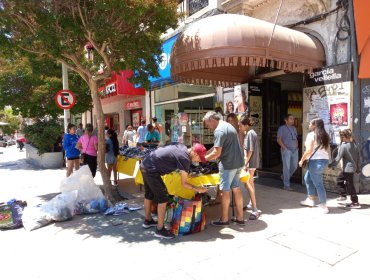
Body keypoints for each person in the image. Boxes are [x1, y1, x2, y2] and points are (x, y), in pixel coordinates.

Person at [141, 143, 209, 239]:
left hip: (145, 163)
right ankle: (160, 230)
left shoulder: (182, 147)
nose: (198, 161)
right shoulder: (184, 159)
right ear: (194, 153)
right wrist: (198, 189)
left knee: (149, 194)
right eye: (199, 158)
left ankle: (147, 220)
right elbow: (184, 183)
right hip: (151, 170)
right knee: (163, 198)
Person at [203, 111, 245, 226]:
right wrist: (205, 154)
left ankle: (224, 219)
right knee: (236, 188)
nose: (208, 127)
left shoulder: (219, 130)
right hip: (238, 162)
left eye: (207, 124)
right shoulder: (227, 125)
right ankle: (240, 218)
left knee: (224, 191)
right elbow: (216, 146)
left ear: (212, 120)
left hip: (228, 164)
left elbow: (217, 153)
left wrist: (203, 159)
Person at [299, 118, 330, 214]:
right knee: (307, 178)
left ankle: (323, 205)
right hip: (324, 160)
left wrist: (301, 160)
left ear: (314, 125)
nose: (309, 125)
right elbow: (329, 149)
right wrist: (329, 161)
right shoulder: (325, 135)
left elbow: (308, 150)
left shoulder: (311, 135)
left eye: (310, 124)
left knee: (318, 184)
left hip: (315, 162)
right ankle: (310, 199)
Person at [329, 129, 361, 209]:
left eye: (341, 137)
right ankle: (343, 196)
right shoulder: (354, 144)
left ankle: (355, 202)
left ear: (343, 137)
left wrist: (331, 165)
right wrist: (357, 168)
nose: (341, 138)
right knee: (341, 180)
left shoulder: (343, 146)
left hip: (348, 169)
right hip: (352, 168)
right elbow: (358, 157)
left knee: (349, 185)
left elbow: (338, 158)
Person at [239, 114, 261, 220]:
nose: (239, 128)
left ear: (245, 125)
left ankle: (255, 209)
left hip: (250, 163)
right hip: (250, 163)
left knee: (249, 185)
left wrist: (245, 163)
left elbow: (250, 151)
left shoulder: (250, 133)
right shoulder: (249, 133)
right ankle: (251, 204)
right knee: (250, 184)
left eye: (240, 126)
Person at [277, 114, 299, 191]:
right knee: (286, 167)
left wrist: (297, 146)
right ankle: (286, 185)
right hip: (287, 150)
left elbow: (296, 138)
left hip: (295, 150)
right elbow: (278, 140)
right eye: (291, 119)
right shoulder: (282, 128)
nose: (293, 120)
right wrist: (284, 148)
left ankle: (284, 177)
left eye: (293, 119)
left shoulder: (294, 128)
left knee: (295, 166)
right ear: (286, 120)